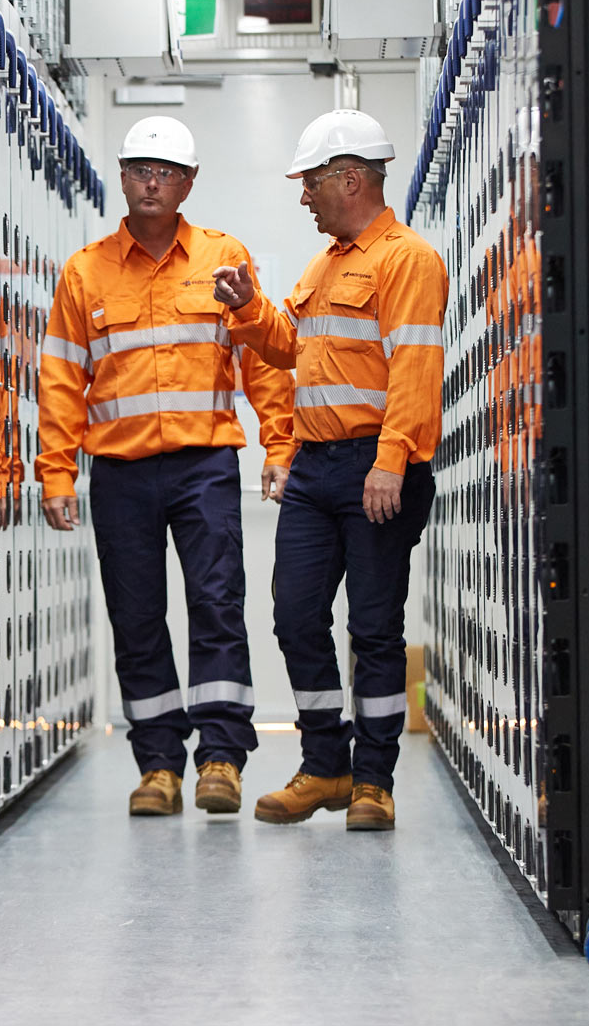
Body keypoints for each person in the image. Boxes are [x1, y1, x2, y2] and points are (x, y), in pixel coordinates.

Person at [35, 115, 295, 816]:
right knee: (137, 614)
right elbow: (61, 377)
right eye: (140, 169)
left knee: (216, 604)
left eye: (165, 171)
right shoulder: (85, 271)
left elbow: (260, 362)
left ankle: (220, 756)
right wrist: (55, 471)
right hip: (119, 473)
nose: (151, 181)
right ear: (122, 177)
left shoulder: (222, 257)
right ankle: (157, 764)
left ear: (188, 183)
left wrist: (280, 443)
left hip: (203, 464)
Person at [212, 109, 448, 831]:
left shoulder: (408, 259)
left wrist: (390, 460)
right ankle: (326, 765)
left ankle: (374, 779)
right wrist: (250, 309)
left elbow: (415, 366)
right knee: (296, 617)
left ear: (350, 178)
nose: (304, 197)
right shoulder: (327, 264)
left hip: (379, 465)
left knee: (374, 628)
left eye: (311, 183)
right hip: (316, 469)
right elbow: (290, 348)